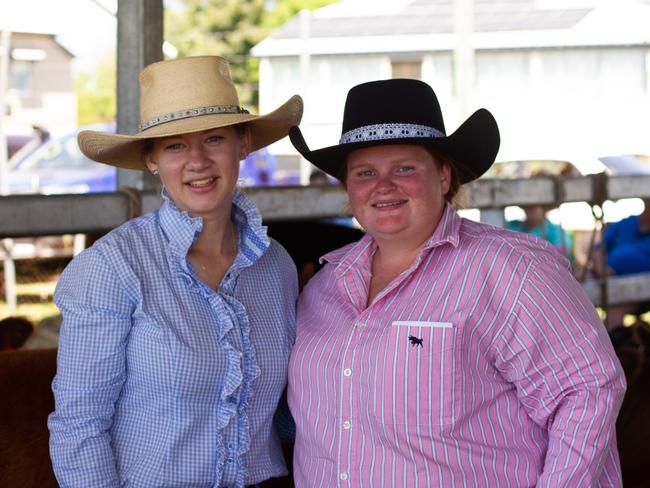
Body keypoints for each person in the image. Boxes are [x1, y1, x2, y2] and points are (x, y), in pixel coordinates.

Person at [287, 78, 626, 486]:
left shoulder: (510, 269)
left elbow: (587, 391)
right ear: (349, 188)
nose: (383, 185)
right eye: (365, 172)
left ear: (444, 176)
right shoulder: (324, 287)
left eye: (405, 168)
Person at [48, 56, 303, 488]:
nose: (198, 160)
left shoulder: (275, 265)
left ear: (243, 145)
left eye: (215, 138)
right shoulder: (114, 266)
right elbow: (79, 425)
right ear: (151, 159)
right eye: (175, 145)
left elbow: (286, 411)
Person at [592, 197, 650, 331]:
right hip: (605, 278)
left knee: (616, 309)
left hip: (640, 291)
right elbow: (598, 248)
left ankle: (611, 344)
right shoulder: (626, 223)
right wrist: (602, 270)